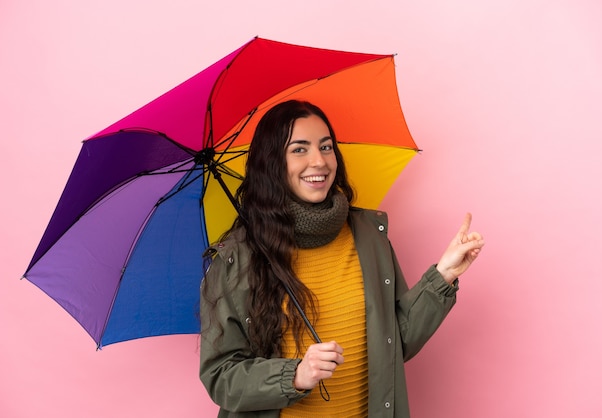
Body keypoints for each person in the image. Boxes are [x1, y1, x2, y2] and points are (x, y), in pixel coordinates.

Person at [199, 100, 484, 417]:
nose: (319, 161)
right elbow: (221, 376)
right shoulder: (237, 258)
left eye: (326, 146)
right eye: (299, 149)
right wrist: (294, 375)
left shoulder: (369, 237)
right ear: (272, 162)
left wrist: (443, 276)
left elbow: (392, 343)